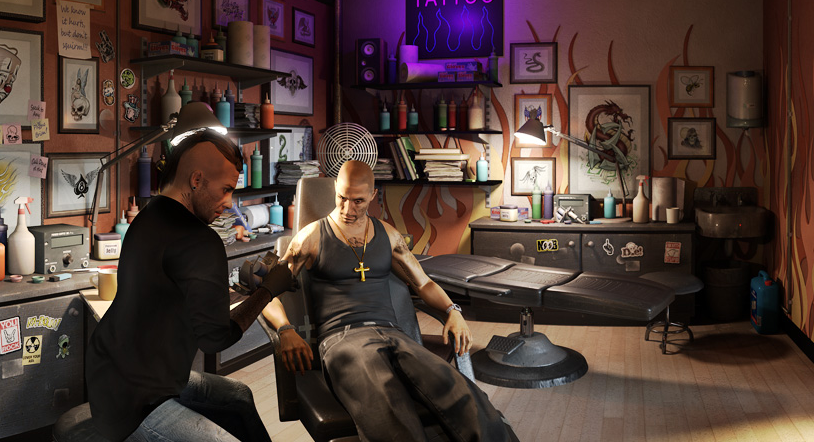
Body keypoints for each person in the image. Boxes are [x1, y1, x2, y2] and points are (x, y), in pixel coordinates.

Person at [244, 161, 517, 441]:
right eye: (342, 198)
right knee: (388, 407)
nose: (348, 209)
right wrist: (285, 329)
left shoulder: (388, 235)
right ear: (336, 189)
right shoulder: (311, 237)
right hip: (343, 340)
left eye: (358, 201)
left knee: (463, 393)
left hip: (393, 334)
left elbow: (423, 283)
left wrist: (452, 310)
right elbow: (267, 293)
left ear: (373, 196)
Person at [73, 128, 270, 442]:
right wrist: (267, 292)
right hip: (135, 399)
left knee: (239, 397)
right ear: (196, 180)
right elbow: (215, 339)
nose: (229, 203)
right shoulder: (201, 240)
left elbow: (174, 290)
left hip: (117, 372)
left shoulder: (149, 215)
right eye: (225, 190)